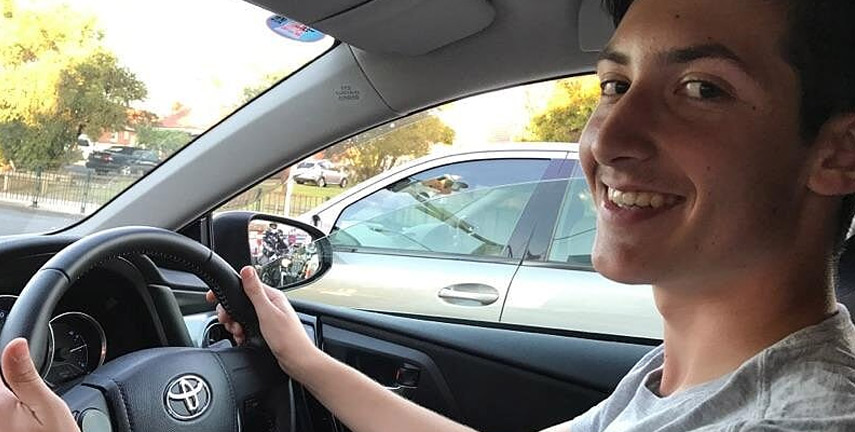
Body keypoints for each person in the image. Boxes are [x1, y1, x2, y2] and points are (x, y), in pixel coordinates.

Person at [3, 0, 855, 430]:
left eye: (700, 90)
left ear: (836, 153)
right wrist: (301, 360)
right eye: (613, 84)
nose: (610, 135)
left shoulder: (795, 418)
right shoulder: (692, 380)